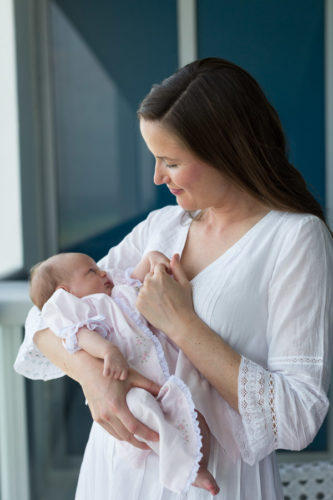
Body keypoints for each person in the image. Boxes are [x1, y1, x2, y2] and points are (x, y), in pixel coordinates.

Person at [14, 57, 333, 499]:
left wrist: (182, 324)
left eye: (171, 161)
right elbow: (45, 317)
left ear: (227, 151)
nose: (157, 177)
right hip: (115, 476)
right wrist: (94, 378)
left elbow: (298, 418)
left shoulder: (294, 239)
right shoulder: (160, 228)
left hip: (216, 485)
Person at [28, 250, 220, 495]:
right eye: (91, 271)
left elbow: (138, 274)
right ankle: (186, 469)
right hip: (128, 385)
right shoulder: (83, 312)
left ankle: (198, 465)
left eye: (97, 267)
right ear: (66, 293)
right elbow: (82, 337)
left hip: (162, 376)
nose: (102, 272)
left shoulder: (117, 289)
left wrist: (152, 258)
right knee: (150, 417)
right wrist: (108, 351)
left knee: (196, 417)